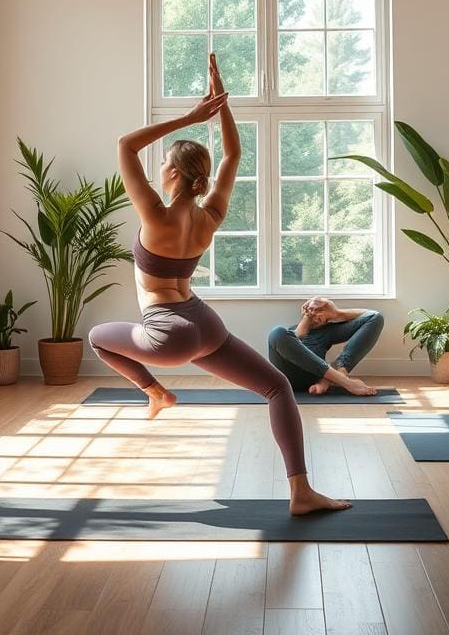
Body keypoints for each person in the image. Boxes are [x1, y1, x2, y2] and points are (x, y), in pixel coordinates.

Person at [89, 54, 349, 515]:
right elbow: (233, 154)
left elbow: (125, 146)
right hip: (205, 323)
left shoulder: (155, 214)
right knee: (276, 389)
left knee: (97, 337)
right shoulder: (211, 214)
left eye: (164, 163)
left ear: (171, 173)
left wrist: (191, 117)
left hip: (167, 332)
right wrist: (222, 103)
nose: (160, 167)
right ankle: (301, 491)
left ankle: (156, 392)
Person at [268, 298, 383, 397]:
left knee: (378, 318)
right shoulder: (288, 333)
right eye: (312, 310)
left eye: (320, 311)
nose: (315, 314)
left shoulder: (326, 331)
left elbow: (374, 317)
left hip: (312, 375)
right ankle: (344, 381)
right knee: (277, 332)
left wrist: (337, 313)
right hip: (286, 375)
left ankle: (335, 376)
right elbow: (298, 334)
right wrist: (307, 318)